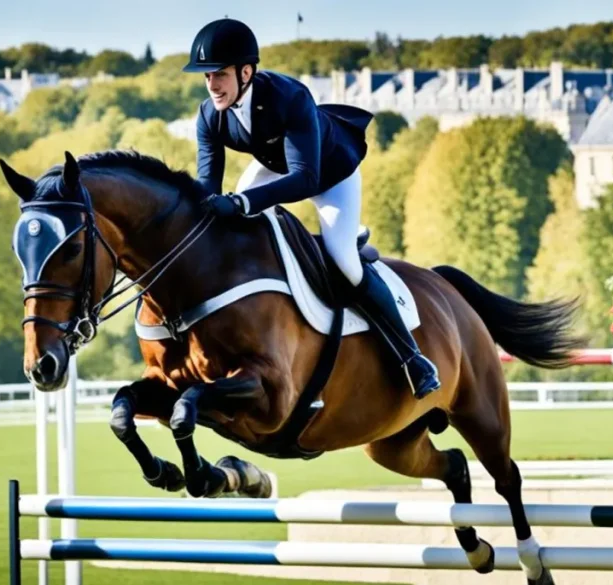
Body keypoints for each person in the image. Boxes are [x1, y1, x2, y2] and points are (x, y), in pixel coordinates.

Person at [182, 18, 440, 399]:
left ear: (246, 71)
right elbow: (208, 185)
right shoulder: (209, 116)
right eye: (206, 77)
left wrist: (242, 202)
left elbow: (305, 177)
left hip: (331, 174)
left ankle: (412, 357)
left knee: (344, 262)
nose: (212, 85)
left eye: (219, 74)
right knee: (237, 230)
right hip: (276, 166)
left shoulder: (290, 97)